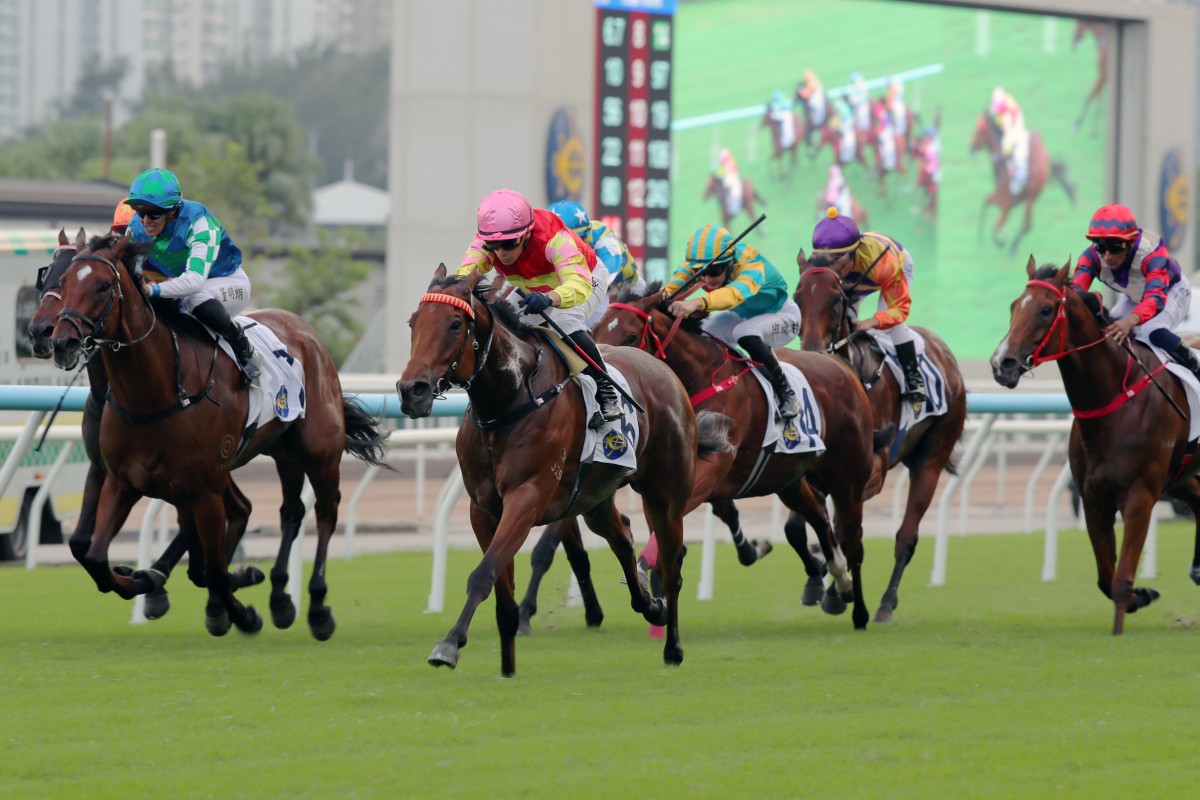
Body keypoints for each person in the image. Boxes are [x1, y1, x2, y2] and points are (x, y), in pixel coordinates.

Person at [457, 189, 620, 428]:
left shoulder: (553, 239)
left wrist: (550, 298)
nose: (501, 253)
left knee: (566, 323)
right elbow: (464, 276)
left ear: (526, 235)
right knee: (499, 324)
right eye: (494, 246)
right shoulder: (487, 243)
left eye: (509, 244)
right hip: (532, 287)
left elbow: (578, 285)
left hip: (585, 277)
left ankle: (607, 392)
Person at [125, 168, 259, 383]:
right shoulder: (135, 228)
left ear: (173, 211)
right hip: (184, 284)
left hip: (227, 282)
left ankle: (242, 347)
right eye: (140, 212)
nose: (145, 220)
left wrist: (151, 289)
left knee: (194, 299)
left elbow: (194, 282)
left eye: (154, 214)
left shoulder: (200, 224)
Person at [663, 224, 801, 418]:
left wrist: (697, 303)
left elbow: (734, 294)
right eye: (700, 272)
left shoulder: (751, 264)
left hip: (783, 316)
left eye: (714, 271)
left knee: (744, 332)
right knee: (705, 331)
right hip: (743, 315)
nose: (707, 278)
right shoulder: (700, 263)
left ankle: (786, 392)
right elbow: (671, 288)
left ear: (729, 263)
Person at [809, 207, 926, 404]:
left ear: (853, 254)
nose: (832, 268)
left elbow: (899, 308)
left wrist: (872, 321)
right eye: (826, 262)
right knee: (842, 321)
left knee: (890, 325)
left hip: (896, 265)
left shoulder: (884, 264)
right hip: (857, 276)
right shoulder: (825, 264)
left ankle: (913, 378)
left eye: (837, 261)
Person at [1071, 203, 1199, 378]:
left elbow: (1155, 298)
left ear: (1130, 242)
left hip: (1171, 291)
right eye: (1101, 246)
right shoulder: (1091, 257)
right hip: (1134, 296)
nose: (1107, 255)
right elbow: (1074, 294)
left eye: (1115, 247)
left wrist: (1130, 321)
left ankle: (1195, 366)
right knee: (1108, 334)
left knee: (1150, 330)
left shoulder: (1151, 252)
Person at [546, 200, 644, 326]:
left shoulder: (604, 243)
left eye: (571, 240)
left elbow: (601, 280)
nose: (564, 246)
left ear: (586, 237)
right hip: (583, 281)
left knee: (589, 323)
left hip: (624, 287)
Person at [990, 86, 1029, 196]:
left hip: (1016, 127)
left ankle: (1019, 174)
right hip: (1013, 123)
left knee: (1009, 145)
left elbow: (1007, 125)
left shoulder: (1008, 108)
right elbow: (997, 115)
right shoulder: (1003, 101)